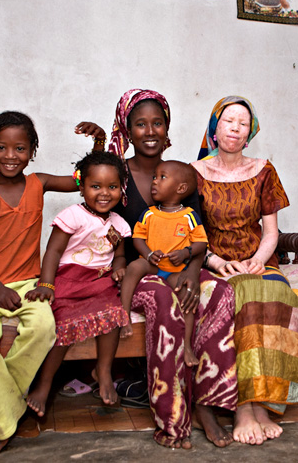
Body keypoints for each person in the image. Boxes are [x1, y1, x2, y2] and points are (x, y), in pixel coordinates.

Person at [76, 88, 236, 449]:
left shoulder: (182, 174)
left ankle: (206, 403)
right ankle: (172, 418)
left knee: (221, 291)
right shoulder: (117, 173)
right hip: (139, 272)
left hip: (182, 267)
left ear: (167, 128)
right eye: (140, 124)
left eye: (157, 123)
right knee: (166, 301)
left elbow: (198, 233)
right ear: (127, 130)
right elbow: (103, 227)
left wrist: (195, 275)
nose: (150, 131)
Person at [0, 111, 91, 455]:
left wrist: (98, 142)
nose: (10, 156)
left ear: (32, 151)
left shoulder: (40, 183)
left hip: (30, 282)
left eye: (20, 148)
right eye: (1, 147)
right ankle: (9, 410)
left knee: (43, 329)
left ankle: (0, 405)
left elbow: (87, 179)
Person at [192, 96, 298, 446]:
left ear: (250, 133)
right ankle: (243, 405)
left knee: (278, 293)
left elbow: (271, 230)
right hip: (215, 263)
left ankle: (264, 403)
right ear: (214, 128)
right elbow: (191, 231)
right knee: (237, 294)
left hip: (258, 260)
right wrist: (215, 261)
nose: (235, 127)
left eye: (243, 123)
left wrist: (259, 259)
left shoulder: (263, 170)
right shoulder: (195, 173)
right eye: (228, 120)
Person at [24, 151, 132, 417]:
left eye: (112, 187)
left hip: (99, 281)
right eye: (95, 186)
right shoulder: (71, 215)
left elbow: (119, 255)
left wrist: (119, 269)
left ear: (122, 188)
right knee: (62, 326)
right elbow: (52, 253)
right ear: (81, 188)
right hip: (69, 281)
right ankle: (44, 384)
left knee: (113, 314)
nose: (104, 193)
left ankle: (103, 372)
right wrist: (46, 285)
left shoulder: (119, 223)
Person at [119, 160, 208, 370]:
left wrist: (186, 252)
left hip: (175, 271)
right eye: (154, 177)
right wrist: (148, 254)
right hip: (152, 265)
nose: (155, 182)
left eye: (162, 177)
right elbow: (137, 238)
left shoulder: (189, 216)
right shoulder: (149, 213)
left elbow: (201, 243)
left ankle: (187, 346)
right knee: (133, 268)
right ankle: (124, 318)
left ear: (181, 188)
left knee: (187, 294)